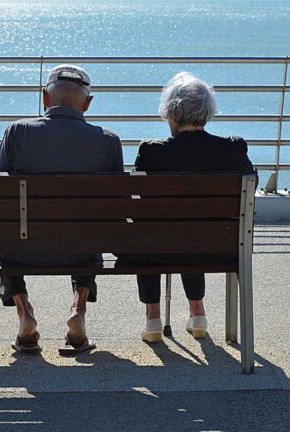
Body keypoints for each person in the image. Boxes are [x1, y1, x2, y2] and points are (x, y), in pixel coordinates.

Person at [0, 64, 124, 354]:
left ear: (45, 98)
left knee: (5, 232)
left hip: (22, 249)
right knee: (92, 234)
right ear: (87, 104)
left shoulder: (17, 132)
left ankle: (24, 312)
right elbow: (115, 210)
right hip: (80, 250)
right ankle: (78, 311)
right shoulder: (108, 141)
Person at [120, 72, 255, 342]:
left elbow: (138, 206)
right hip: (219, 248)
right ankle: (198, 313)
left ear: (171, 112)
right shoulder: (233, 150)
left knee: (152, 234)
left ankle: (153, 318)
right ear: (208, 112)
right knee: (194, 231)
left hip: (158, 251)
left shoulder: (152, 152)